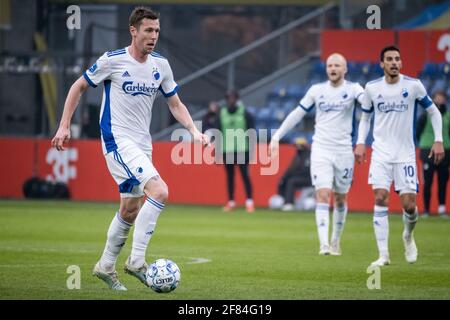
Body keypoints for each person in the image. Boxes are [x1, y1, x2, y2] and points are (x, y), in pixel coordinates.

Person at [51, 7, 209, 290]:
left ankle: (105, 266)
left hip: (141, 143)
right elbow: (78, 87)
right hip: (117, 140)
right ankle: (136, 261)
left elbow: (175, 103)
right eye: (148, 30)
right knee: (160, 191)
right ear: (133, 31)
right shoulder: (112, 61)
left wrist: (194, 131)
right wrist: (64, 125)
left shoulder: (161, 65)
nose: (153, 36)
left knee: (130, 208)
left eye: (157, 31)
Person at [354, 45, 444, 267]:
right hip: (381, 153)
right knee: (380, 197)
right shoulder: (372, 88)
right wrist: (360, 143)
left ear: (401, 63)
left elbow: (433, 111)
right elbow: (365, 118)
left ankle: (407, 235)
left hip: (405, 154)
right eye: (389, 59)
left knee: (409, 205)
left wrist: (439, 139)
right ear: (382, 64)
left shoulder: (413, 85)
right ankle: (383, 255)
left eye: (397, 59)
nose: (394, 62)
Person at [270, 53, 365, 255]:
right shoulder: (317, 90)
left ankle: (336, 240)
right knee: (323, 194)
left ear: (345, 69)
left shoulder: (354, 89)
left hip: (343, 151)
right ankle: (324, 244)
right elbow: (297, 113)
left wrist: (361, 141)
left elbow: (368, 104)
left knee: (340, 198)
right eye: (330, 65)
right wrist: (277, 135)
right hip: (321, 149)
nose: (333, 68)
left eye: (337, 65)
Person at [217, 89, 255, 213]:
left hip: (242, 149)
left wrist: (251, 150)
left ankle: (249, 202)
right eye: (229, 98)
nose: (231, 100)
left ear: (237, 99)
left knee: (245, 176)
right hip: (227, 149)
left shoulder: (244, 112)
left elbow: (251, 131)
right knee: (230, 177)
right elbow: (218, 132)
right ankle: (231, 202)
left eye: (233, 98)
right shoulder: (222, 113)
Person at [416, 90, 450, 217]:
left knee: (443, 181)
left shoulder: (448, 115)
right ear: (433, 99)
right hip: (427, 151)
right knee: (428, 182)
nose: (440, 100)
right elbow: (418, 132)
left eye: (442, 97)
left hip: (445, 151)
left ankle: (441, 208)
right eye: (437, 97)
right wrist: (426, 143)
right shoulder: (425, 115)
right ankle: (426, 209)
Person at [277, 137, 312, 211]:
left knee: (291, 181)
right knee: (284, 181)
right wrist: (283, 178)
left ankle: (289, 203)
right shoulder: (298, 156)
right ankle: (284, 199)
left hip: (309, 179)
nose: (298, 147)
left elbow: (306, 171)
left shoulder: (309, 155)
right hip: (300, 178)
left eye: (300, 145)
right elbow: (290, 169)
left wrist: (293, 174)